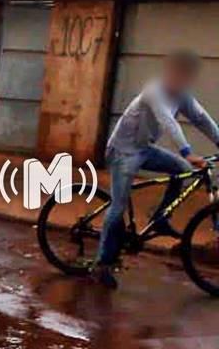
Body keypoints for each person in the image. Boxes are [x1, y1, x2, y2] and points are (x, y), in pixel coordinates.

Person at [93, 49, 219, 289]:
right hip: (123, 151)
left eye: (186, 77)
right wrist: (188, 152)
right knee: (118, 207)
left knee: (181, 171)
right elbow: (167, 121)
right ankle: (102, 265)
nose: (181, 81)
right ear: (169, 73)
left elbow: (202, 119)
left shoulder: (182, 96)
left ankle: (160, 217)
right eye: (178, 75)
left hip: (144, 148)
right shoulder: (154, 90)